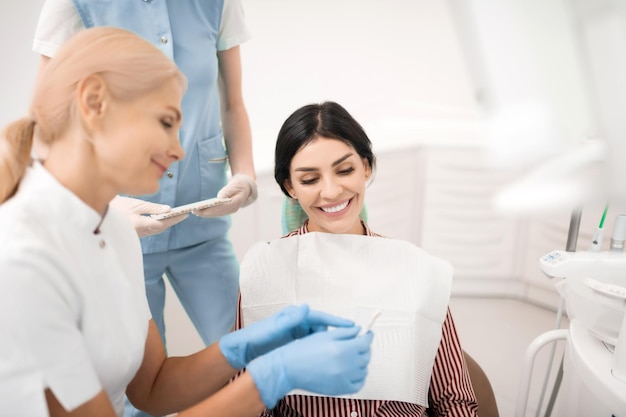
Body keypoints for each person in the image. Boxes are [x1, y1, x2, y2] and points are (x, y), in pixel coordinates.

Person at [0, 27, 374, 417]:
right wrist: (272, 377)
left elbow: (154, 387)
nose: (178, 151)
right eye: (166, 122)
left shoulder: (114, 231)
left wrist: (243, 346)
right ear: (94, 102)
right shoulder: (21, 259)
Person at [32, 0, 256, 358]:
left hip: (203, 224)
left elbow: (232, 102)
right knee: (140, 391)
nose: (174, 148)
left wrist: (244, 174)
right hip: (121, 237)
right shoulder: (71, 6)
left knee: (246, 356)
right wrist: (103, 207)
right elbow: (47, 124)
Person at [235, 101, 479, 417]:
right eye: (310, 179)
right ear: (290, 187)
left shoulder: (416, 271)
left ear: (366, 167)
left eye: (345, 170)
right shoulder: (265, 273)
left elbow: (454, 402)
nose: (331, 191)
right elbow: (249, 403)